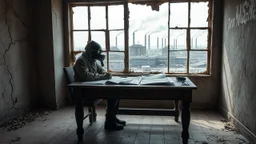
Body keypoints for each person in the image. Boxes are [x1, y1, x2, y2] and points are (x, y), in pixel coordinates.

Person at [73, 40, 126, 131]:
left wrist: (104, 72)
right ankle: (109, 122)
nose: (99, 53)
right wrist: (103, 76)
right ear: (91, 51)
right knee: (112, 94)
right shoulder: (81, 61)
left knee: (116, 92)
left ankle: (112, 117)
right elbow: (86, 76)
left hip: (92, 88)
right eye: (97, 51)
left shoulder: (92, 60)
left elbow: (101, 70)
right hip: (83, 91)